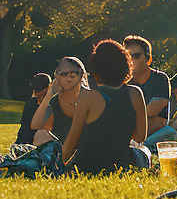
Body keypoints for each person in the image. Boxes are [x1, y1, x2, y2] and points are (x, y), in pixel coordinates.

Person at [63, 40, 147, 174]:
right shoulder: (135, 93)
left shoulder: (88, 98)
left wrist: (57, 164)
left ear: (95, 71)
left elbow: (72, 142)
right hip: (120, 164)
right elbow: (140, 136)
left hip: (87, 166)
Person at [29, 58, 87, 146]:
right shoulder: (56, 101)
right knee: (40, 135)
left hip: (83, 149)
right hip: (62, 148)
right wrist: (49, 95)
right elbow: (36, 125)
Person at [124, 35, 171, 135]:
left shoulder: (160, 79)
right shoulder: (122, 83)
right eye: (127, 56)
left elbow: (158, 117)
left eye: (135, 56)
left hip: (158, 136)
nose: (130, 61)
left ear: (148, 59)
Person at [15, 73, 53, 146]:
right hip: (33, 145)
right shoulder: (49, 105)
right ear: (48, 87)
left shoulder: (31, 103)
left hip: (21, 144)